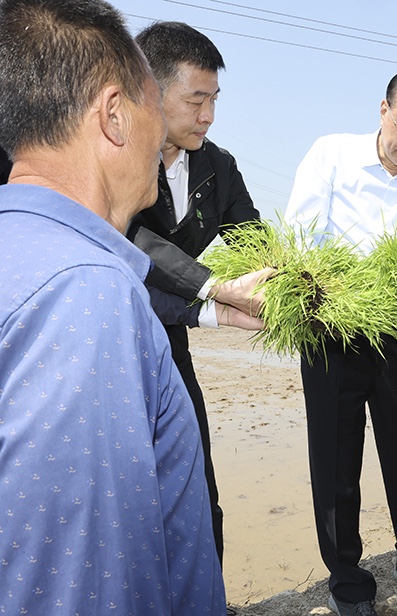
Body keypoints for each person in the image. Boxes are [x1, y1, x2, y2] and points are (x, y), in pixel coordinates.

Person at [0, 0, 225, 613]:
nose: (164, 142)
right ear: (117, 117)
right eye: (160, 109)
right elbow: (79, 581)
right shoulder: (85, 294)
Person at [284, 68, 397, 616]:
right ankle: (348, 580)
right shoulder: (331, 154)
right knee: (336, 460)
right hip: (330, 327)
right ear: (382, 109)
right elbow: (302, 233)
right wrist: (344, 292)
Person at [126, 21, 267, 566]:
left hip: (173, 338)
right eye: (196, 100)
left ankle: (206, 596)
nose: (208, 115)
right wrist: (211, 287)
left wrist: (296, 283)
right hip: (109, 337)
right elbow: (128, 239)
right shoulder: (111, 156)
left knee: (192, 470)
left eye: (214, 100)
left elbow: (252, 238)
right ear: (149, 90)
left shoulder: (217, 165)